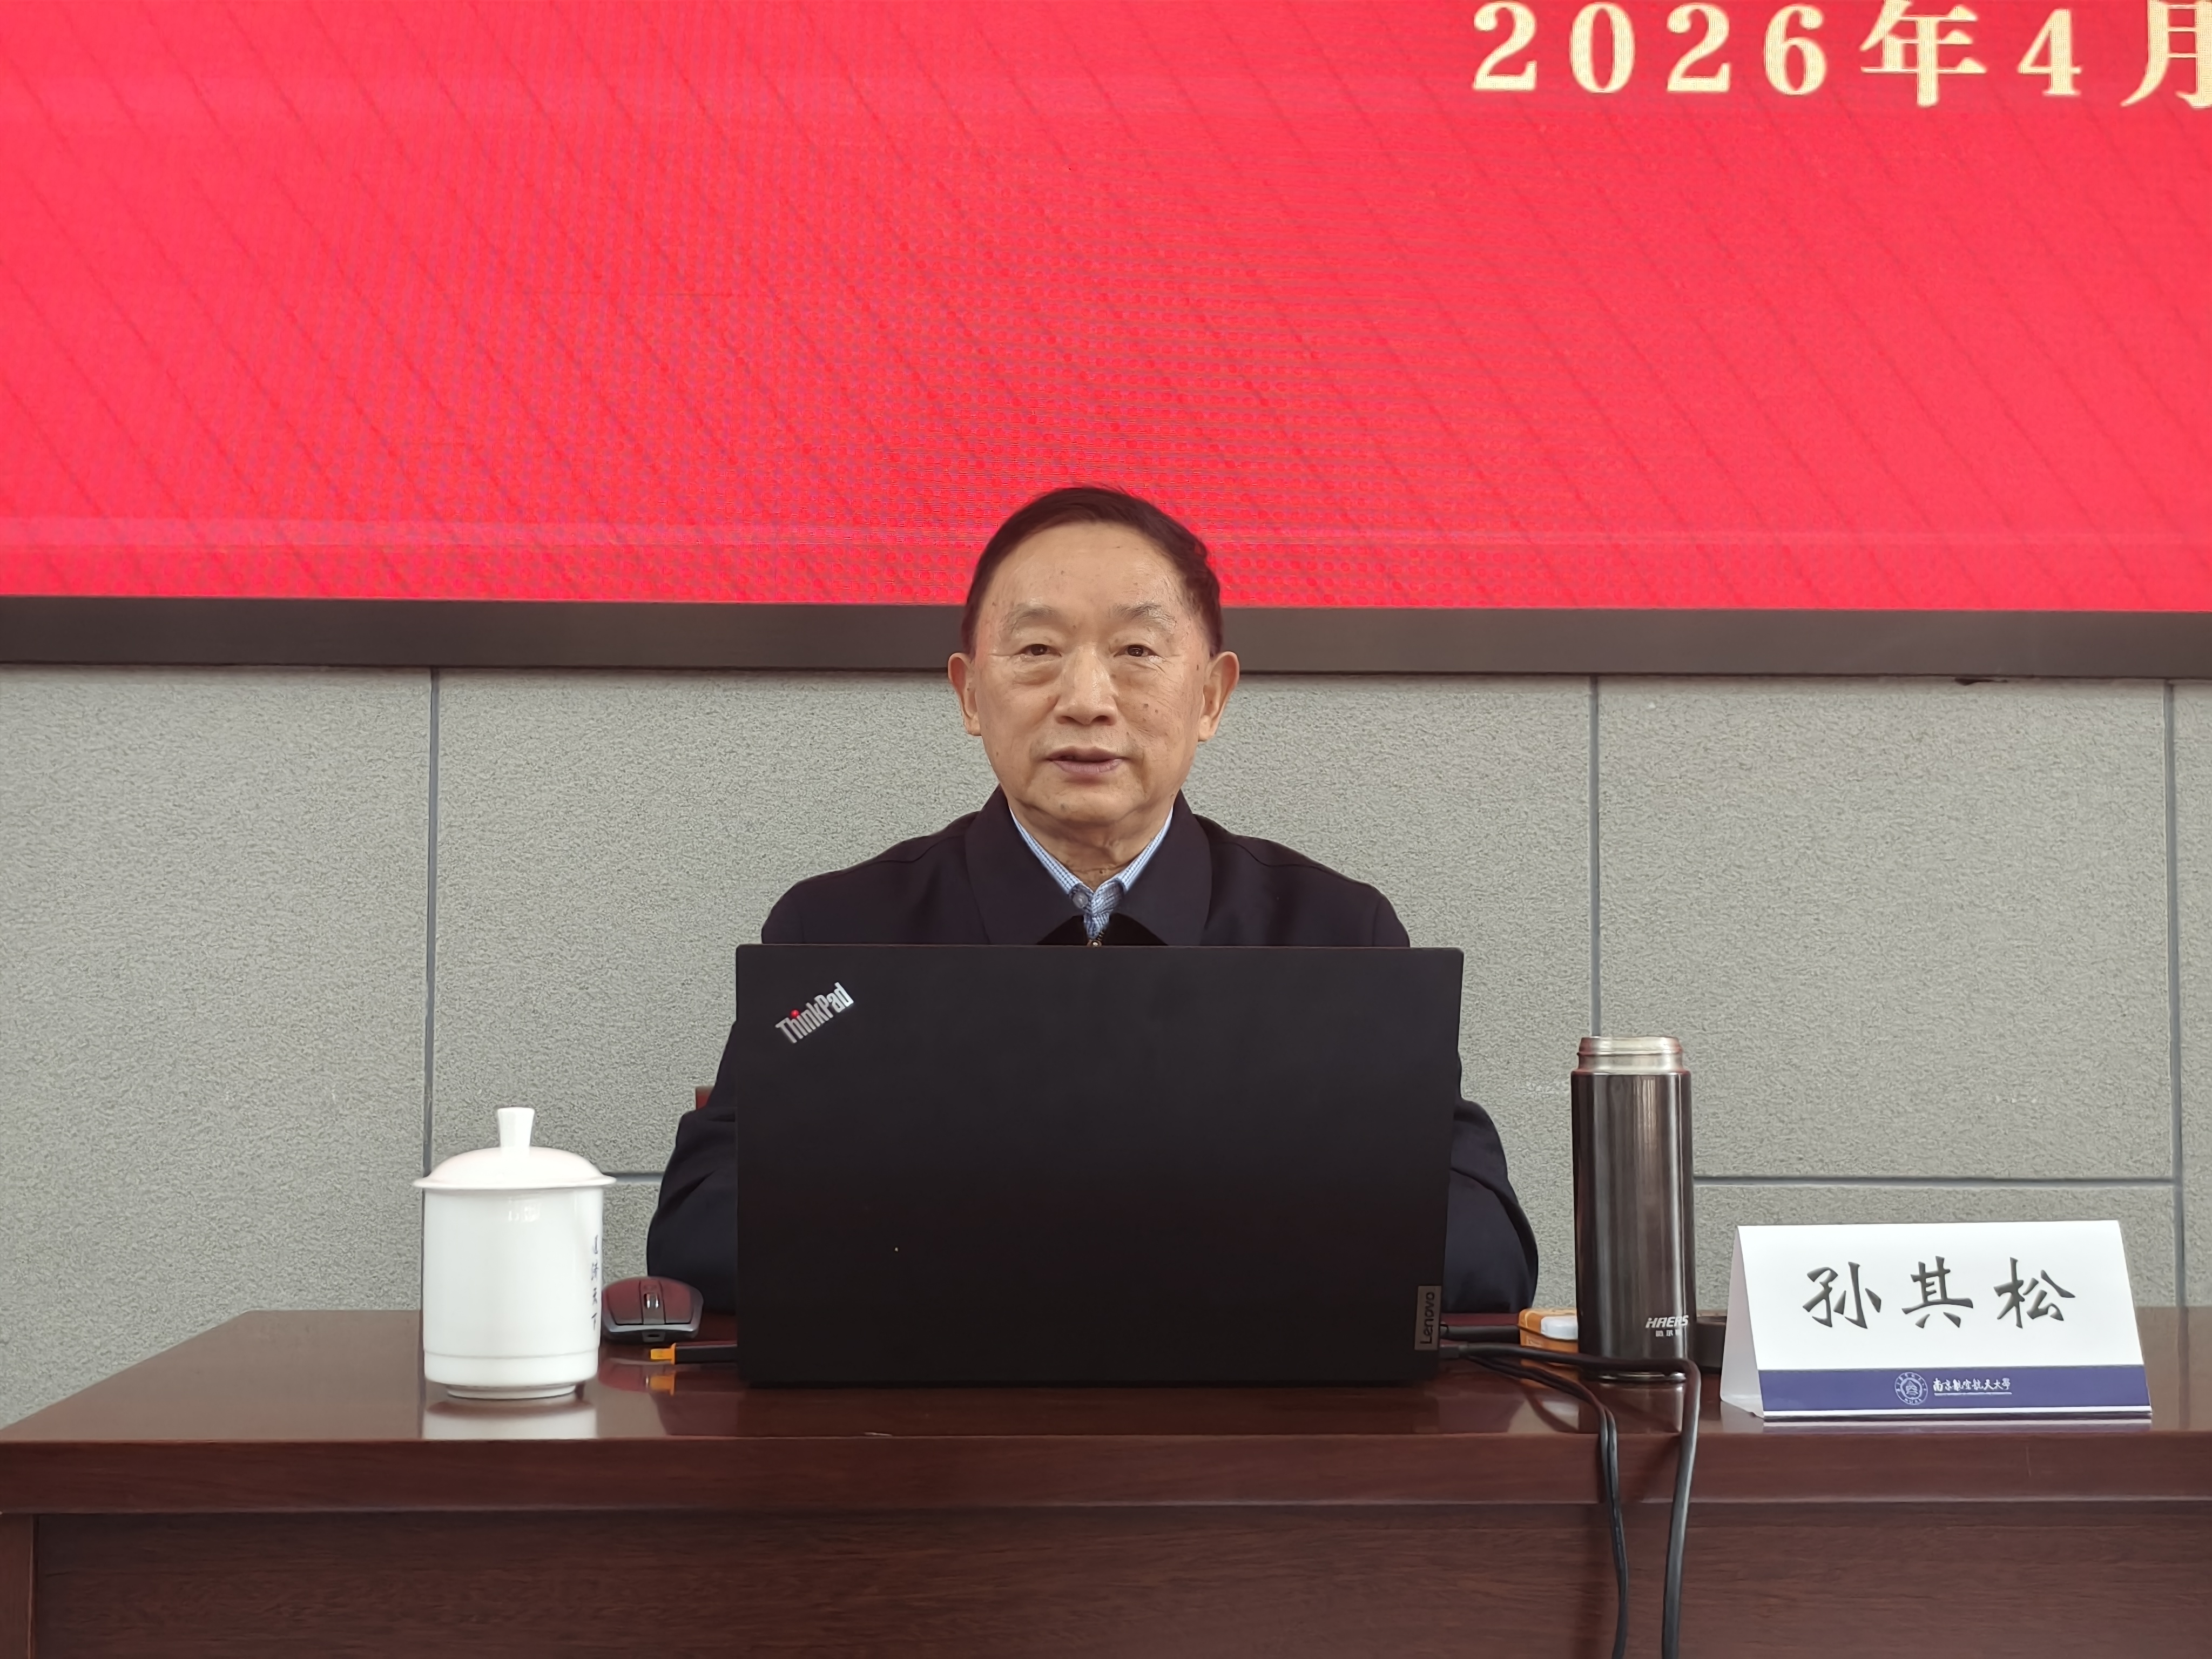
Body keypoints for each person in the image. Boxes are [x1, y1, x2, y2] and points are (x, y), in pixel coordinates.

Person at [648, 486, 1538, 1312]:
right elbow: (702, 1230)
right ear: (969, 693)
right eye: (1037, 651)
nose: (1085, 700)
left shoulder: (1335, 935)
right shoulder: (838, 934)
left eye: (1137, 652)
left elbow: (1480, 1244)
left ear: (1211, 697)